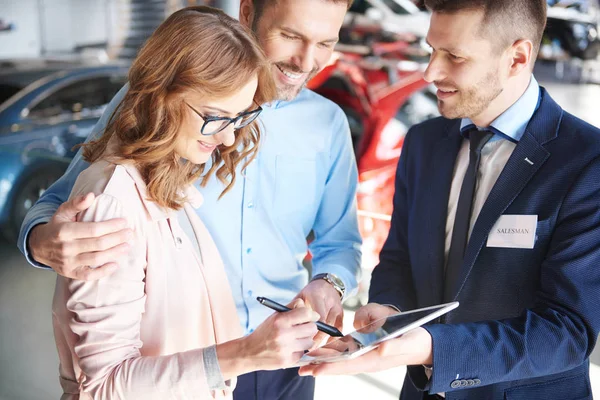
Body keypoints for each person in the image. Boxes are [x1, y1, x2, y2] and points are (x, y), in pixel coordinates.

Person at [19, 0, 360, 399]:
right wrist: (40, 241)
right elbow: (76, 195)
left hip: (285, 354)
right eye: (291, 36)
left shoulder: (328, 124)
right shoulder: (158, 104)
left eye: (325, 43)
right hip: (176, 361)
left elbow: (341, 242)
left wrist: (329, 284)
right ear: (248, 14)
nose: (306, 60)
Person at [299, 0, 600, 399]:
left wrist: (431, 349)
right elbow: (400, 257)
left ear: (517, 57)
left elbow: (567, 332)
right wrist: (391, 309)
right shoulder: (424, 143)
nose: (429, 72)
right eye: (431, 51)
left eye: (454, 56)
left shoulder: (585, 161)